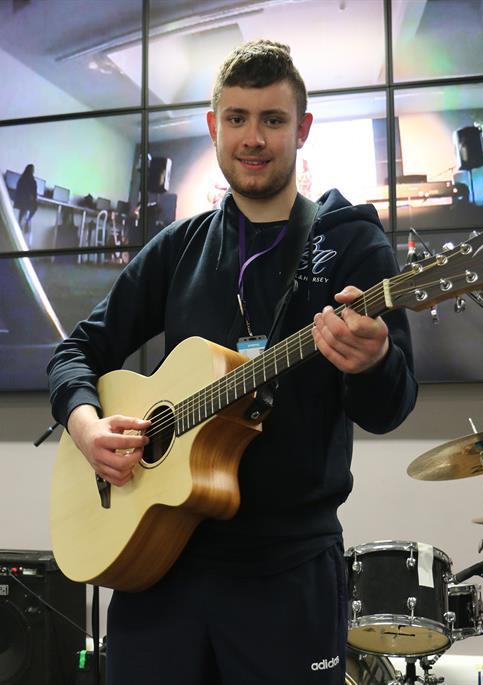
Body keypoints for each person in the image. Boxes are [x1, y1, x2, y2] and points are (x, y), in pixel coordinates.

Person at [47, 39, 417, 685]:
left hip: (287, 573)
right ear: (213, 126)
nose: (254, 138)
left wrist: (373, 358)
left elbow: (390, 406)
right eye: (238, 118)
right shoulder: (178, 249)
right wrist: (85, 426)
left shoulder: (351, 243)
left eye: (273, 120)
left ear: (301, 130)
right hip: (157, 565)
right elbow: (76, 350)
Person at [14, 163, 38, 236]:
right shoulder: (33, 181)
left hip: (19, 202)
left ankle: (20, 224)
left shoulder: (21, 179)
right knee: (35, 206)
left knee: (23, 210)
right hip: (28, 203)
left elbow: (18, 190)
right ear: (32, 171)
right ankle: (27, 221)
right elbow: (34, 195)